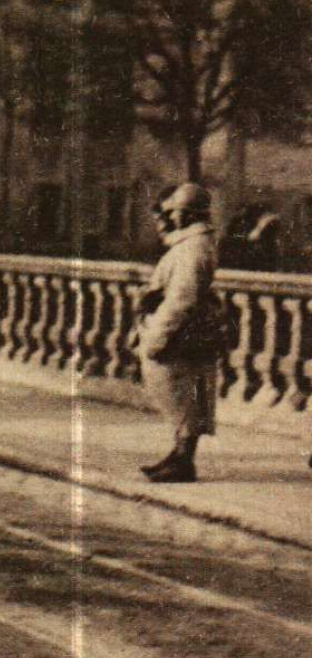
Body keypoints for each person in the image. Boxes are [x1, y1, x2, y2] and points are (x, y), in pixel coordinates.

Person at [137, 182, 223, 483]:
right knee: (181, 395)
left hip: (184, 335)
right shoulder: (190, 245)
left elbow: (182, 298)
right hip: (188, 332)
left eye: (170, 214)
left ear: (183, 215)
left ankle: (184, 460)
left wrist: (156, 337)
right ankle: (179, 455)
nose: (166, 221)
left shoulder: (193, 248)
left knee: (183, 394)